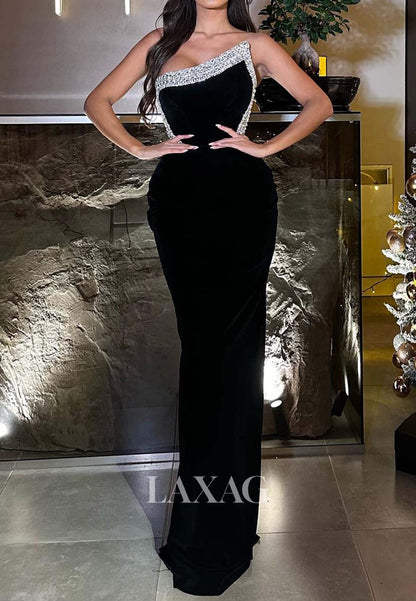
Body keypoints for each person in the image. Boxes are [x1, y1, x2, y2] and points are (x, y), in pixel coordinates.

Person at [84, 0, 333, 595]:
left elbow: (319, 103)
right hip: (179, 207)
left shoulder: (256, 45)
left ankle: (223, 531)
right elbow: (97, 102)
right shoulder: (160, 42)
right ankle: (203, 528)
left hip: (243, 206)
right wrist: (143, 149)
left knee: (236, 356)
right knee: (202, 355)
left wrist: (264, 148)